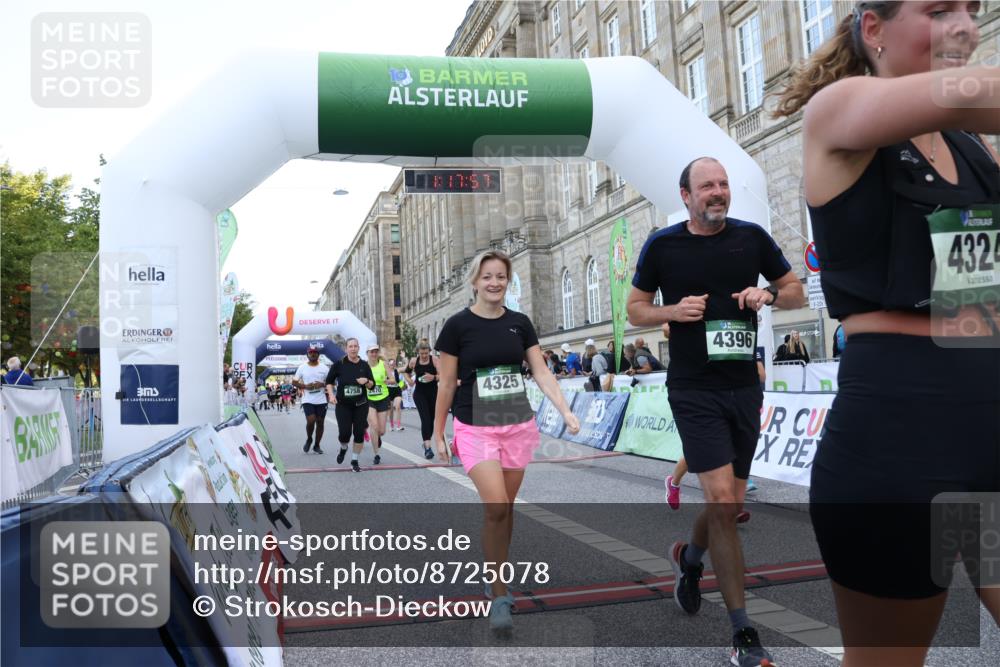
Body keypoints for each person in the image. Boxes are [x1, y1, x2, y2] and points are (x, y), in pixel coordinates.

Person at [774, 2, 1000, 662]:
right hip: (896, 449)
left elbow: (979, 293)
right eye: (939, 10)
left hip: (985, 442)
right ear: (873, 29)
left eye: (971, 9)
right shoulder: (839, 109)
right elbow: (979, 89)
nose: (964, 24)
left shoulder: (969, 145)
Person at [627, 156, 804, 667]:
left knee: (726, 502)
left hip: (744, 389)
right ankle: (743, 633)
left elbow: (793, 290)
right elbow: (635, 309)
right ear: (686, 196)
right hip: (693, 390)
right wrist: (671, 311)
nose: (718, 192)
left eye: (723, 184)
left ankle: (690, 561)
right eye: (707, 186)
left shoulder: (750, 238)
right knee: (723, 500)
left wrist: (767, 292)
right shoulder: (663, 245)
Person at [434, 249, 580, 636]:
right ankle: (499, 593)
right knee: (497, 505)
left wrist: (564, 410)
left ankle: (495, 571)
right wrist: (437, 433)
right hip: (474, 426)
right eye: (487, 277)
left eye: (501, 276)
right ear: (475, 282)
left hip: (516, 425)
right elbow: (447, 383)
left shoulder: (520, 323)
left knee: (506, 508)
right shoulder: (456, 326)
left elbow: (541, 371)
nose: (494, 283)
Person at [326, 338, 374, 472]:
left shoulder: (364, 365)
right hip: (343, 405)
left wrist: (366, 381)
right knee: (344, 434)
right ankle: (343, 447)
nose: (353, 349)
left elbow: (372, 385)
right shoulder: (339, 364)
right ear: (346, 349)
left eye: (355, 346)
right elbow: (329, 382)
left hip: (361, 404)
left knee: (359, 433)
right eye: (350, 346)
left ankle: (354, 460)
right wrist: (331, 395)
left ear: (358, 348)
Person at [404, 341, 439, 460]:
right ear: (418, 352)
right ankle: (428, 448)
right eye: (421, 353)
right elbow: (406, 372)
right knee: (425, 419)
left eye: (426, 353)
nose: (424, 356)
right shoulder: (414, 361)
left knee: (431, 420)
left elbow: (443, 375)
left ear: (429, 351)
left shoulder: (434, 360)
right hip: (419, 394)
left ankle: (425, 443)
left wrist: (433, 377)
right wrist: (409, 380)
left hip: (433, 393)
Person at [294, 345, 331, 454]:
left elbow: (331, 382)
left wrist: (322, 384)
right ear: (307, 355)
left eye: (315, 352)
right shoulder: (302, 367)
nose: (313, 354)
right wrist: (305, 386)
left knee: (320, 422)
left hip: (321, 400)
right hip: (307, 399)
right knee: (311, 420)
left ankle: (317, 445)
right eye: (310, 353)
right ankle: (309, 438)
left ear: (318, 355)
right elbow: (294, 382)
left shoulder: (324, 368)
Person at [365, 344, 391, 465]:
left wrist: (387, 380)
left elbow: (393, 379)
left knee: (381, 431)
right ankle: (377, 454)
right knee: (374, 426)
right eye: (372, 352)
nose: (374, 354)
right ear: (367, 353)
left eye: (376, 352)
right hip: (369, 399)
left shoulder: (383, 364)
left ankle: (378, 437)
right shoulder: (364, 366)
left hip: (383, 398)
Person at [386, 358, 405, 431]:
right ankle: (391, 425)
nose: (392, 365)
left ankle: (399, 425)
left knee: (397, 407)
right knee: (390, 410)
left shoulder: (397, 371)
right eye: (391, 364)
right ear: (388, 365)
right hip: (389, 390)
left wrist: (403, 358)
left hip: (397, 390)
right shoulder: (385, 372)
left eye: (393, 364)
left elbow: (405, 367)